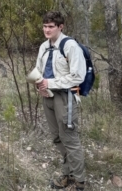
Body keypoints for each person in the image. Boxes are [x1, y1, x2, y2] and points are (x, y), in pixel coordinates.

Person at [35, 11, 86, 191]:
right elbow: (39, 71)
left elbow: (78, 76)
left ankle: (79, 181)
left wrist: (51, 82)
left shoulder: (70, 45)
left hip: (65, 97)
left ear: (60, 26)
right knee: (57, 137)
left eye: (51, 26)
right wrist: (39, 84)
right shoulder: (43, 47)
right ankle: (68, 174)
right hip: (47, 96)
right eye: (45, 26)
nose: (47, 30)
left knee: (69, 138)